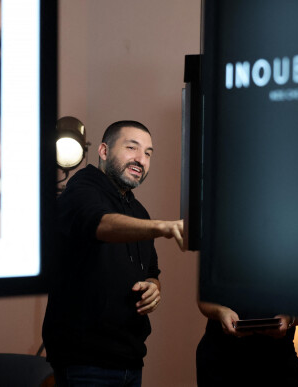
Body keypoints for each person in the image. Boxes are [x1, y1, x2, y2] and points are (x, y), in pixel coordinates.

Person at [42, 120, 184, 387]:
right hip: (86, 362)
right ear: (104, 151)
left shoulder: (139, 211)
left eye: (148, 153)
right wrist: (164, 227)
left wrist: (154, 287)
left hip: (130, 359)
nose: (141, 159)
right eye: (132, 148)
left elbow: (152, 273)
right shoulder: (82, 188)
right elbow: (101, 223)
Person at [196, 301, 298, 386]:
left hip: (277, 363)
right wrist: (221, 312)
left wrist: (289, 318)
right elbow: (203, 299)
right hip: (221, 360)